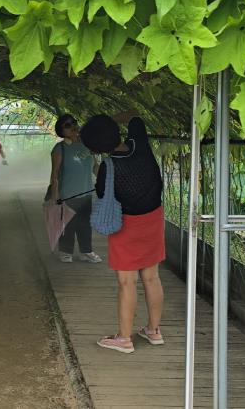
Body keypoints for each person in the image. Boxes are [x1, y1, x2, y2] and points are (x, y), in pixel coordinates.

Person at [79, 113, 165, 354]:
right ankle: (154, 331)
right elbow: (136, 119)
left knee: (127, 282)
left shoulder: (108, 167)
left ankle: (124, 338)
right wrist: (109, 121)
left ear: (96, 149)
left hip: (125, 224)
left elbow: (103, 194)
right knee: (152, 277)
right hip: (153, 218)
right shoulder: (140, 143)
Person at [49, 114, 102, 263]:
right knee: (68, 224)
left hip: (85, 192)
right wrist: (55, 195)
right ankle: (65, 251)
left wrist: (106, 179)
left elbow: (94, 167)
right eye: (67, 125)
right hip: (67, 194)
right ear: (61, 131)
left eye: (73, 122)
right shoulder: (60, 148)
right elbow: (55, 173)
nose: (72, 126)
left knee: (85, 224)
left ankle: (86, 251)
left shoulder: (87, 145)